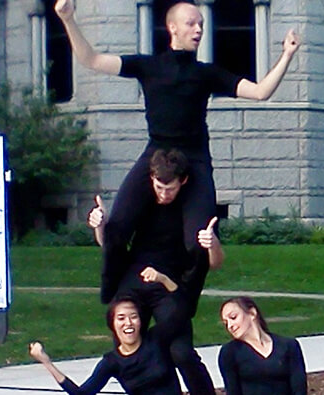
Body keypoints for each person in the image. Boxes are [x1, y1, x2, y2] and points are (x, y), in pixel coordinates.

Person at [54, 0, 300, 304]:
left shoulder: (206, 74)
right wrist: (68, 19)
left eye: (201, 25)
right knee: (116, 227)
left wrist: (287, 54)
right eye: (191, 24)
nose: (198, 29)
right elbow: (90, 59)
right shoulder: (148, 67)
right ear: (172, 28)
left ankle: (183, 302)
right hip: (156, 155)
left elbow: (261, 91)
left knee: (198, 238)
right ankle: (115, 297)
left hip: (194, 161)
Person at [88, 148, 222, 395]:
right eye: (158, 187)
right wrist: (101, 225)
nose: (163, 194)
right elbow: (110, 244)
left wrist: (211, 243)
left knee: (181, 353)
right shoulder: (143, 200)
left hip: (168, 286)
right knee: (129, 346)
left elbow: (214, 263)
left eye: (169, 189)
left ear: (183, 181)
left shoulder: (192, 207)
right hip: (134, 282)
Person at [29, 296, 182, 395]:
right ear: (113, 325)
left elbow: (179, 312)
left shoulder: (156, 339)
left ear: (140, 321)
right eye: (121, 318)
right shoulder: (112, 362)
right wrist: (46, 362)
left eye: (133, 317)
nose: (128, 323)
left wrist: (163, 280)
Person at [218, 297, 307, 395]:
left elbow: (300, 389)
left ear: (252, 313)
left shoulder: (289, 346)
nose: (230, 325)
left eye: (233, 317)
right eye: (226, 323)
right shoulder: (229, 353)